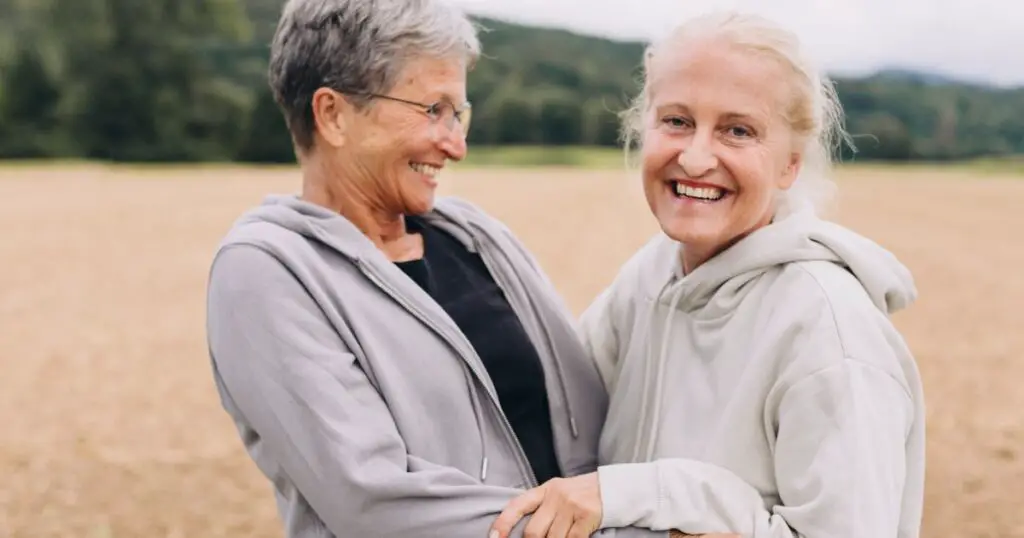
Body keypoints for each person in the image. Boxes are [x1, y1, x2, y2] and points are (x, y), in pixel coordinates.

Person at [205, 0, 707, 537]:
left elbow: (597, 423)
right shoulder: (266, 273)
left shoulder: (475, 236)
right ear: (333, 114)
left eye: (458, 113)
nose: (456, 144)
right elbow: (374, 498)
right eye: (432, 110)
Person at [490, 10, 926, 538]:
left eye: (737, 130)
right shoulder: (649, 277)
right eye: (676, 121)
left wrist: (660, 494)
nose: (695, 158)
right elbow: (560, 427)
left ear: (790, 163)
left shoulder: (830, 334)